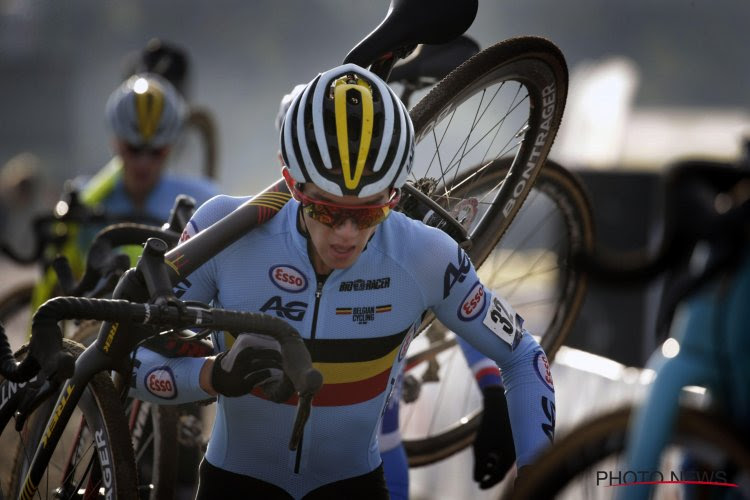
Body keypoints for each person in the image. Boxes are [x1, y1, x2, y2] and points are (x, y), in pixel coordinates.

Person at [130, 63, 555, 499]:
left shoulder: (424, 253)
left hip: (352, 487)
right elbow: (125, 359)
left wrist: (536, 472)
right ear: (292, 183)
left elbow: (524, 356)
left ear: (395, 193)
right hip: (237, 483)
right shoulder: (223, 229)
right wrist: (211, 375)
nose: (346, 233)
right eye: (326, 210)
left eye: (369, 211)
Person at [30, 72, 219, 312]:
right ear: (115, 142)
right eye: (133, 149)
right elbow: (57, 278)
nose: (143, 162)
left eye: (156, 152)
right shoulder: (87, 195)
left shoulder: (205, 197)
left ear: (171, 147)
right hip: (97, 324)